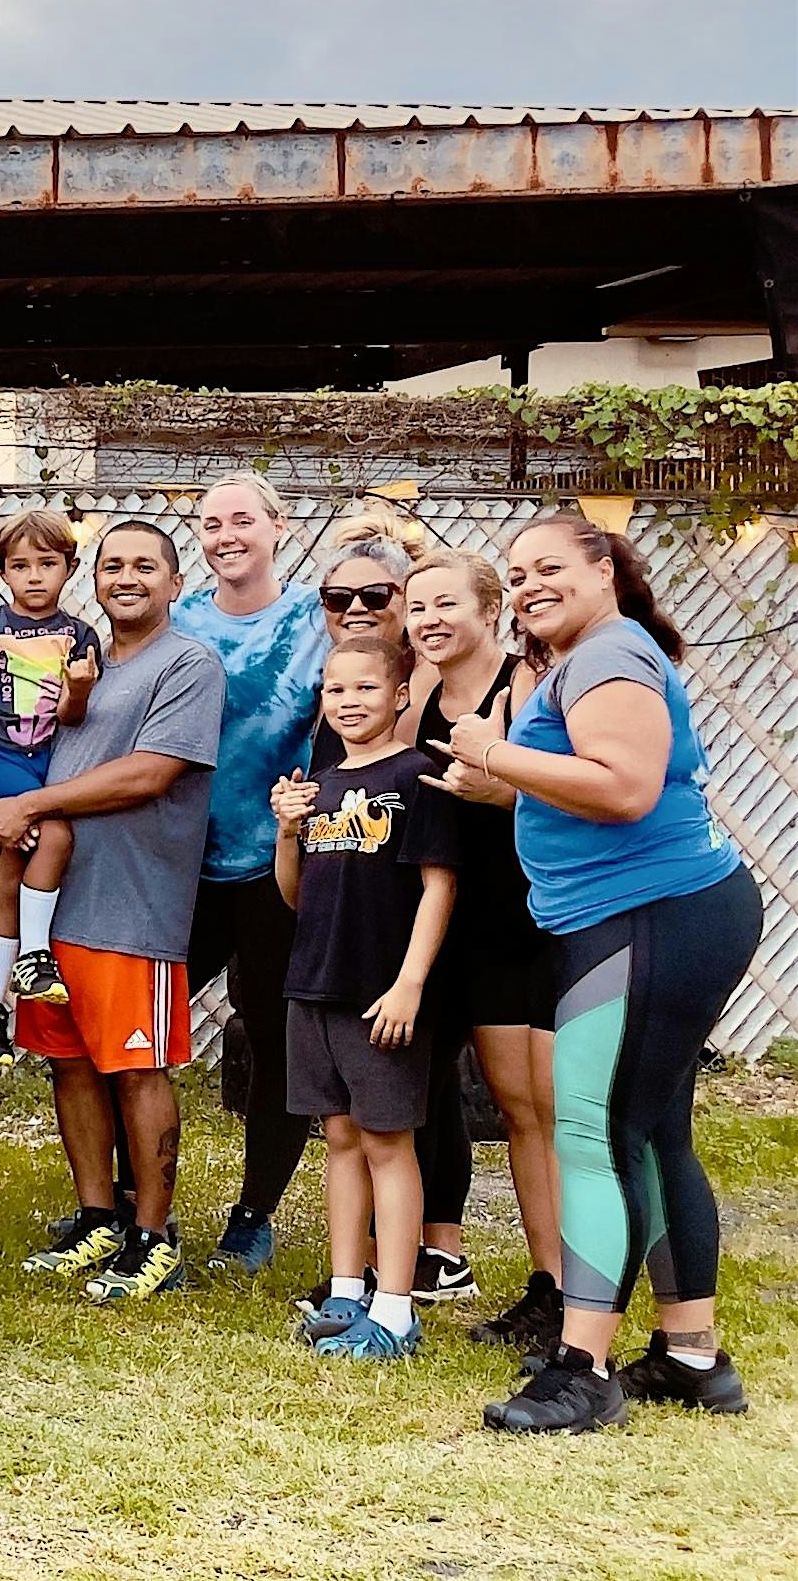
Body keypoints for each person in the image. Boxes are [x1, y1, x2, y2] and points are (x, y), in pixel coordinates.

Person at [429, 515, 762, 1432]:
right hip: (658, 917)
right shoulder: (596, 655)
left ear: (604, 569)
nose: (528, 584)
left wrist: (489, 749)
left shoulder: (609, 657)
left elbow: (623, 786)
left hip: (643, 920)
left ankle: (581, 1370)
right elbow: (581, 780)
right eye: (516, 572)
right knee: (653, 1135)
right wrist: (502, 777)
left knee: (594, 1133)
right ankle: (693, 1356)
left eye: (548, 568)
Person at [0, 520, 223, 1304]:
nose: (128, 577)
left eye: (145, 566)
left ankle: (152, 1236)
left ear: (174, 583)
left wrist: (32, 801)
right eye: (113, 564)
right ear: (93, 579)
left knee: (136, 1066)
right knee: (70, 1063)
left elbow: (148, 774)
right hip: (55, 909)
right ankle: (97, 1216)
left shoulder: (186, 664)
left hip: (134, 903)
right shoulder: (75, 663)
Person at [271, 637, 460, 1360]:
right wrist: (286, 833)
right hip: (312, 982)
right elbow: (295, 894)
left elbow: (439, 886)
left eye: (365, 688)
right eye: (335, 688)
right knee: (340, 1139)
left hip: (380, 990)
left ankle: (395, 1306)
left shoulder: (418, 777)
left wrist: (409, 983)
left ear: (400, 695)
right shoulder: (315, 783)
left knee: (387, 1141)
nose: (348, 701)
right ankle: (346, 1290)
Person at [404, 549, 565, 1348]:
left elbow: (572, 788)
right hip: (465, 927)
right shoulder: (420, 697)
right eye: (416, 608)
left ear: (488, 609)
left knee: (553, 1110)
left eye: (444, 605)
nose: (428, 620)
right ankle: (548, 1291)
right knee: (514, 1110)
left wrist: (500, 784)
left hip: (540, 916)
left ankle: (573, 1290)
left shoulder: (526, 681)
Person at [171, 471, 328, 1277]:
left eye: (241, 519)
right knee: (142, 1027)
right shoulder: (178, 619)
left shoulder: (314, 620)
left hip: (277, 864)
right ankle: (135, 1203)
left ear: (276, 526)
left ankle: (252, 1213)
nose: (225, 534)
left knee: (271, 1038)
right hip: (180, 864)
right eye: (210, 523)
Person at [0, 511, 100, 1057]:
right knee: (55, 835)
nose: (34, 576)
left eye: (47, 564)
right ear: (3, 572)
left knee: (12, 876)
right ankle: (33, 957)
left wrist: (77, 690)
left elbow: (74, 719)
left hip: (47, 762)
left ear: (70, 569)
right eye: (20, 566)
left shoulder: (81, 636)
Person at [311, 530, 422, 766]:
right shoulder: (325, 687)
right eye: (338, 597)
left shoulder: (434, 683)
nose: (356, 608)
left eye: (375, 595)